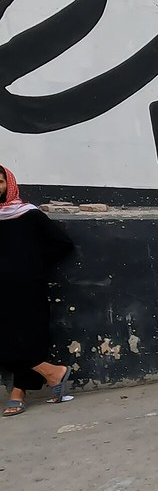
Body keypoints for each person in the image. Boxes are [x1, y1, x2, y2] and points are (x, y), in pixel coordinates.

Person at [0, 166, 75, 417]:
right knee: (8, 337)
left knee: (27, 336)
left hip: (26, 286)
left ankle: (17, 393)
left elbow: (63, 244)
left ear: (8, 184)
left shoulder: (29, 215)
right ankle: (53, 372)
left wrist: (32, 263)